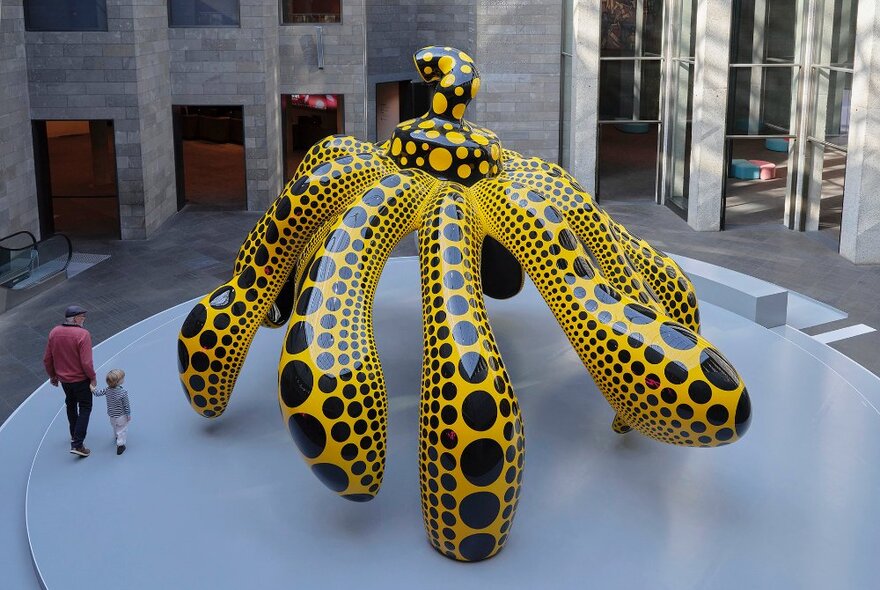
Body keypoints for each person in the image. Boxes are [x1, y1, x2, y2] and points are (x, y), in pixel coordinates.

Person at [43, 305, 97, 457]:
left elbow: (47, 358)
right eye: (82, 316)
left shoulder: (54, 332)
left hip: (65, 381)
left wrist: (53, 376)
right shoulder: (83, 334)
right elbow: (86, 362)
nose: (84, 319)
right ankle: (78, 444)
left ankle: (74, 434)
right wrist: (92, 377)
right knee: (85, 408)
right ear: (75, 319)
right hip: (81, 379)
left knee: (71, 405)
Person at [92, 369, 131, 455]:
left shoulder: (107, 390)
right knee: (122, 429)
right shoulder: (123, 392)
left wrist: (93, 389)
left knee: (115, 426)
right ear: (118, 382)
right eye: (122, 378)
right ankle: (120, 445)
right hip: (121, 415)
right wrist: (128, 414)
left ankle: (117, 436)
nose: (124, 379)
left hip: (111, 415)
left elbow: (97, 393)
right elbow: (126, 405)